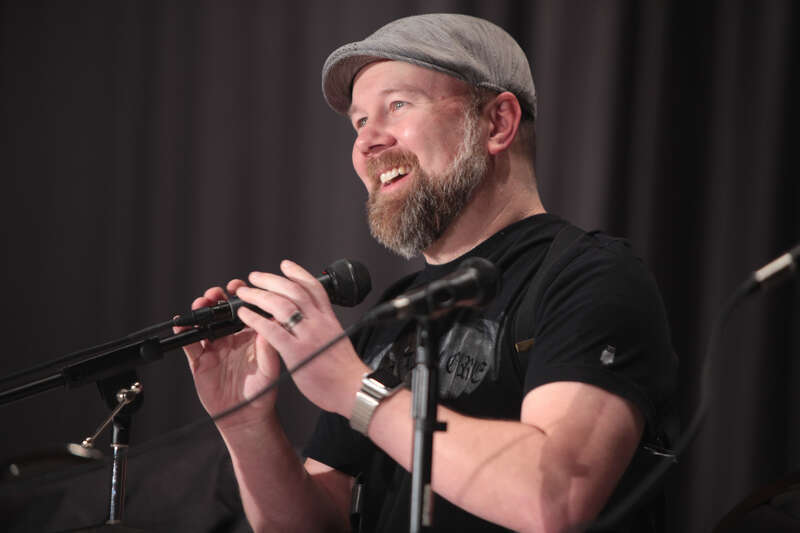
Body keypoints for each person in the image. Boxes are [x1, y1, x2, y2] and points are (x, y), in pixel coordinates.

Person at [180, 13, 677, 533]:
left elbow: (554, 498)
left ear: (497, 123)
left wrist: (354, 389)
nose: (367, 142)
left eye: (396, 105)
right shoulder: (392, 318)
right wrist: (247, 423)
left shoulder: (591, 277)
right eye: (358, 121)